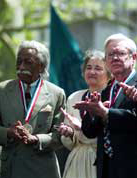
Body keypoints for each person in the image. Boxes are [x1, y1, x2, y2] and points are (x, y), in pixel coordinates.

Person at [75, 34, 137, 178]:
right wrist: (92, 111)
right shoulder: (106, 90)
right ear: (106, 61)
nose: (115, 58)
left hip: (134, 166)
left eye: (120, 53)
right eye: (110, 54)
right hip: (107, 167)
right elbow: (90, 132)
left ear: (134, 57)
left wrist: (106, 112)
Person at [0, 40, 66, 178]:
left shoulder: (56, 93)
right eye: (19, 61)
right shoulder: (2, 90)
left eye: (28, 62)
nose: (21, 66)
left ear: (41, 67)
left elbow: (59, 136)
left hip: (42, 170)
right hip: (11, 168)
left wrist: (36, 139)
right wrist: (8, 133)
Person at [57, 50, 111, 178]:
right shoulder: (73, 98)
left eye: (98, 68)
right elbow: (69, 143)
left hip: (103, 161)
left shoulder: (112, 98)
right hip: (77, 161)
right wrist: (69, 133)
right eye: (89, 67)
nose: (92, 72)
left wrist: (82, 129)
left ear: (109, 75)